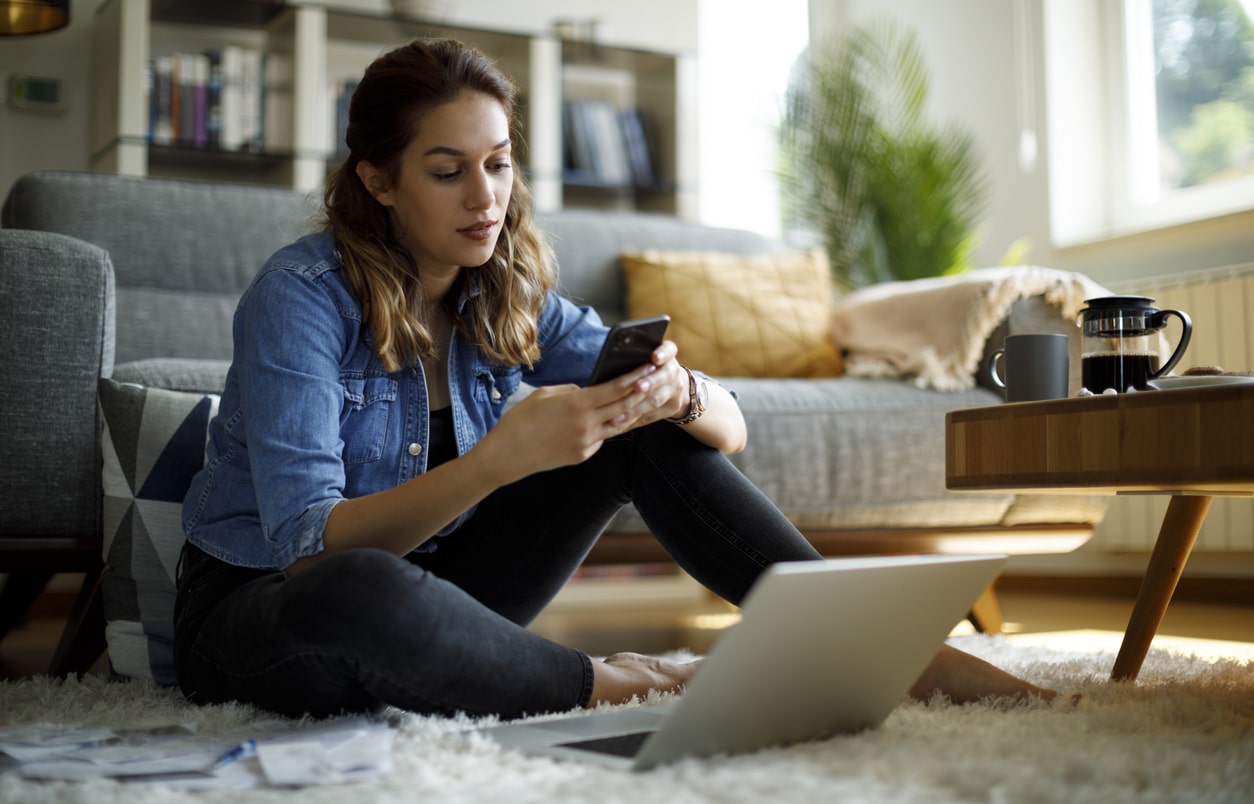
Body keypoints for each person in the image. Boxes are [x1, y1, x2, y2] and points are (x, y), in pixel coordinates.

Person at [174, 37, 1053, 720]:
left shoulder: (506, 289)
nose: (485, 197)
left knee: (633, 418)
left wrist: (683, 396)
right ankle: (623, 681)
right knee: (359, 586)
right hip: (267, 610)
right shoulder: (300, 298)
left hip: (447, 593)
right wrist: (497, 462)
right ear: (379, 181)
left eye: (499, 162)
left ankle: (891, 653)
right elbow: (307, 551)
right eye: (447, 172)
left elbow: (731, 430)